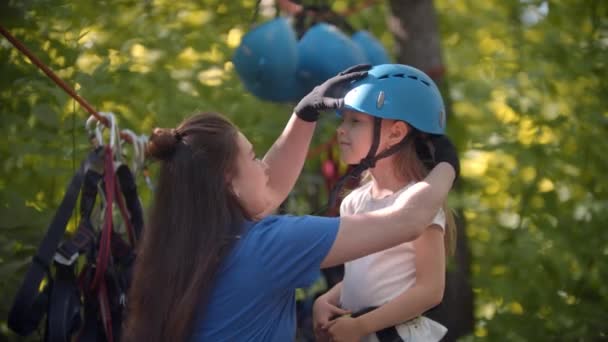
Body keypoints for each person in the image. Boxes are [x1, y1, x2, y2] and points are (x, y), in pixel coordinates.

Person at [122, 65, 459, 342]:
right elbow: (407, 220)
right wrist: (446, 165)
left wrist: (304, 115)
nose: (264, 169)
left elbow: (410, 279)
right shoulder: (271, 244)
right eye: (254, 159)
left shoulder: (191, 240)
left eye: (354, 121)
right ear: (228, 182)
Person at [312, 64, 455, 342]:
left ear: (396, 133)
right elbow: (364, 276)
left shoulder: (421, 204)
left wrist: (361, 326)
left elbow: (430, 290)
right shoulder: (353, 202)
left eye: (355, 121)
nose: (341, 130)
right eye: (343, 120)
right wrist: (326, 299)